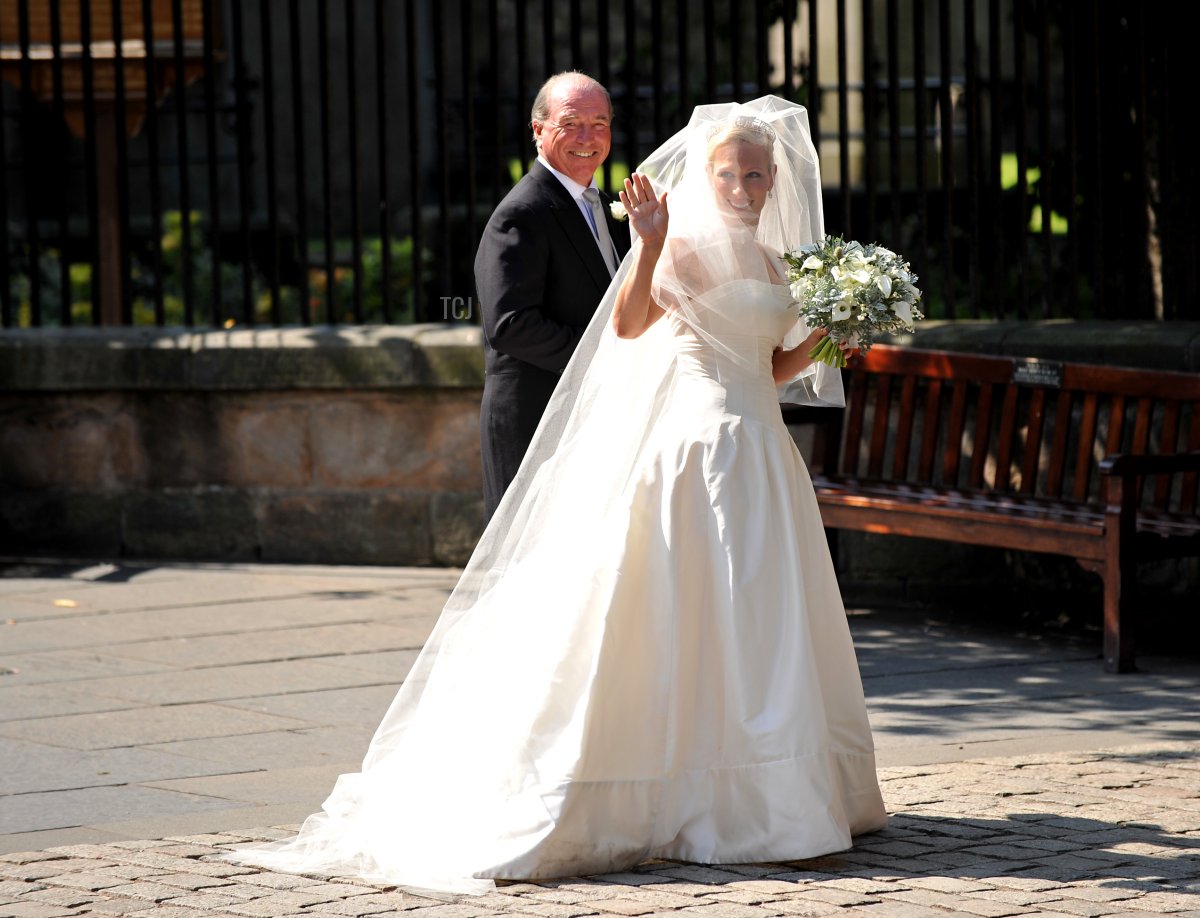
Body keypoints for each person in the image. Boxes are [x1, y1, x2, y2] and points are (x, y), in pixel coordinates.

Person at [222, 96, 887, 893]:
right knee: (706, 609)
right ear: (703, 176)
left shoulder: (779, 263)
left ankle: (775, 795)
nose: (743, 185)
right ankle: (708, 796)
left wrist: (828, 326)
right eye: (728, 172)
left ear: (774, 178)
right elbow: (631, 326)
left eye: (755, 173)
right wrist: (647, 244)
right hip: (701, 444)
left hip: (761, 447)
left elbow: (772, 369)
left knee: (762, 618)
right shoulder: (680, 243)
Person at [474, 71, 631, 519]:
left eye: (599, 123)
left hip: (590, 423)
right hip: (537, 423)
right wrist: (604, 363)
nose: (588, 136)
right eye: (571, 122)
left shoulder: (599, 205)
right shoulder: (522, 213)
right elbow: (511, 325)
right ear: (538, 129)